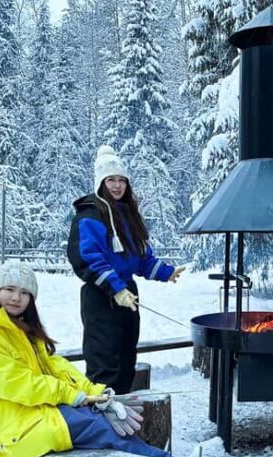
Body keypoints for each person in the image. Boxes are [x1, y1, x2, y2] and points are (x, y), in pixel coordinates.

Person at [0, 261, 188, 457]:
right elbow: (17, 383)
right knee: (99, 427)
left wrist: (95, 393)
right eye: (9, 289)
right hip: (9, 428)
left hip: (30, 411)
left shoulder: (19, 328)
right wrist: (71, 396)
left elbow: (56, 367)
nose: (16, 297)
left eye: (24, 292)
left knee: (103, 417)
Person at [67, 145, 185, 394]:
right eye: (111, 180)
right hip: (101, 295)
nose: (117, 185)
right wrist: (116, 289)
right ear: (101, 182)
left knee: (126, 358)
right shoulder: (89, 216)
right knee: (104, 364)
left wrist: (166, 272)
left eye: (122, 180)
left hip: (128, 295)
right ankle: (103, 422)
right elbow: (88, 260)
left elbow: (140, 258)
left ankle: (123, 414)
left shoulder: (128, 215)